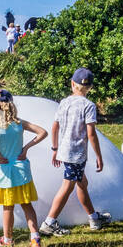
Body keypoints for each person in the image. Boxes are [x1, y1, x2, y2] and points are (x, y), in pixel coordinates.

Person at [40, 67, 111, 235]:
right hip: (76, 154)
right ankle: (49, 222)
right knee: (67, 186)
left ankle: (94, 218)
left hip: (65, 152)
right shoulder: (89, 106)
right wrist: (99, 156)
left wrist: (55, 148)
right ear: (90, 88)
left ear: (72, 84)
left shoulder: (64, 102)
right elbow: (91, 133)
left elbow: (55, 127)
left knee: (82, 183)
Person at [0, 88, 48, 247]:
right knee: (26, 204)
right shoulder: (19, 124)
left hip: (5, 173)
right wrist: (26, 148)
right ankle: (35, 239)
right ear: (11, 105)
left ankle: (7, 240)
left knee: (8, 207)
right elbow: (43, 132)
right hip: (22, 171)